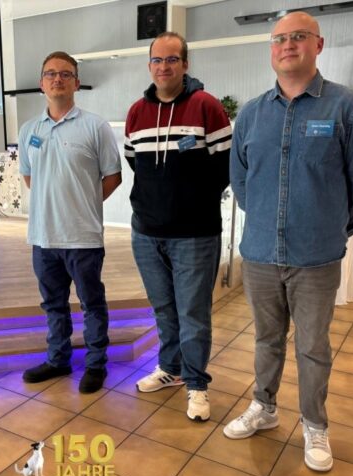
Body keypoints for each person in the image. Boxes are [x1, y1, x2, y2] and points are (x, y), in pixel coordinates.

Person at [224, 12, 353, 472]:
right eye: (279, 39)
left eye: (298, 37)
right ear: (271, 50)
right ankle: (265, 407)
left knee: (312, 347)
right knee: (266, 339)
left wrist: (331, 227)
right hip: (259, 253)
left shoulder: (347, 108)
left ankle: (314, 424)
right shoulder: (252, 114)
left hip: (316, 256)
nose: (287, 45)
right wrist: (265, 221)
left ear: (318, 45)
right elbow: (240, 179)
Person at [124, 32, 232, 421]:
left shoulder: (207, 107)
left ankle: (197, 384)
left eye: (172, 59)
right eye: (157, 60)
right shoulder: (137, 112)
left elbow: (224, 167)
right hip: (146, 233)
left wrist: (188, 202)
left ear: (185, 64)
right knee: (164, 310)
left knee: (193, 315)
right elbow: (135, 162)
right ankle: (170, 369)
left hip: (195, 235)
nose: (164, 67)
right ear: (149, 65)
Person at [18, 51, 122, 393]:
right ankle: (58, 360)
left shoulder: (96, 126)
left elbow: (113, 176)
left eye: (65, 74)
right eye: (51, 74)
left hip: (83, 238)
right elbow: (30, 177)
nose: (57, 79)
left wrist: (81, 204)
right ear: (41, 83)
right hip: (43, 238)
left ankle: (96, 364)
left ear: (77, 83)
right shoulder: (29, 130)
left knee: (92, 304)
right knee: (53, 305)